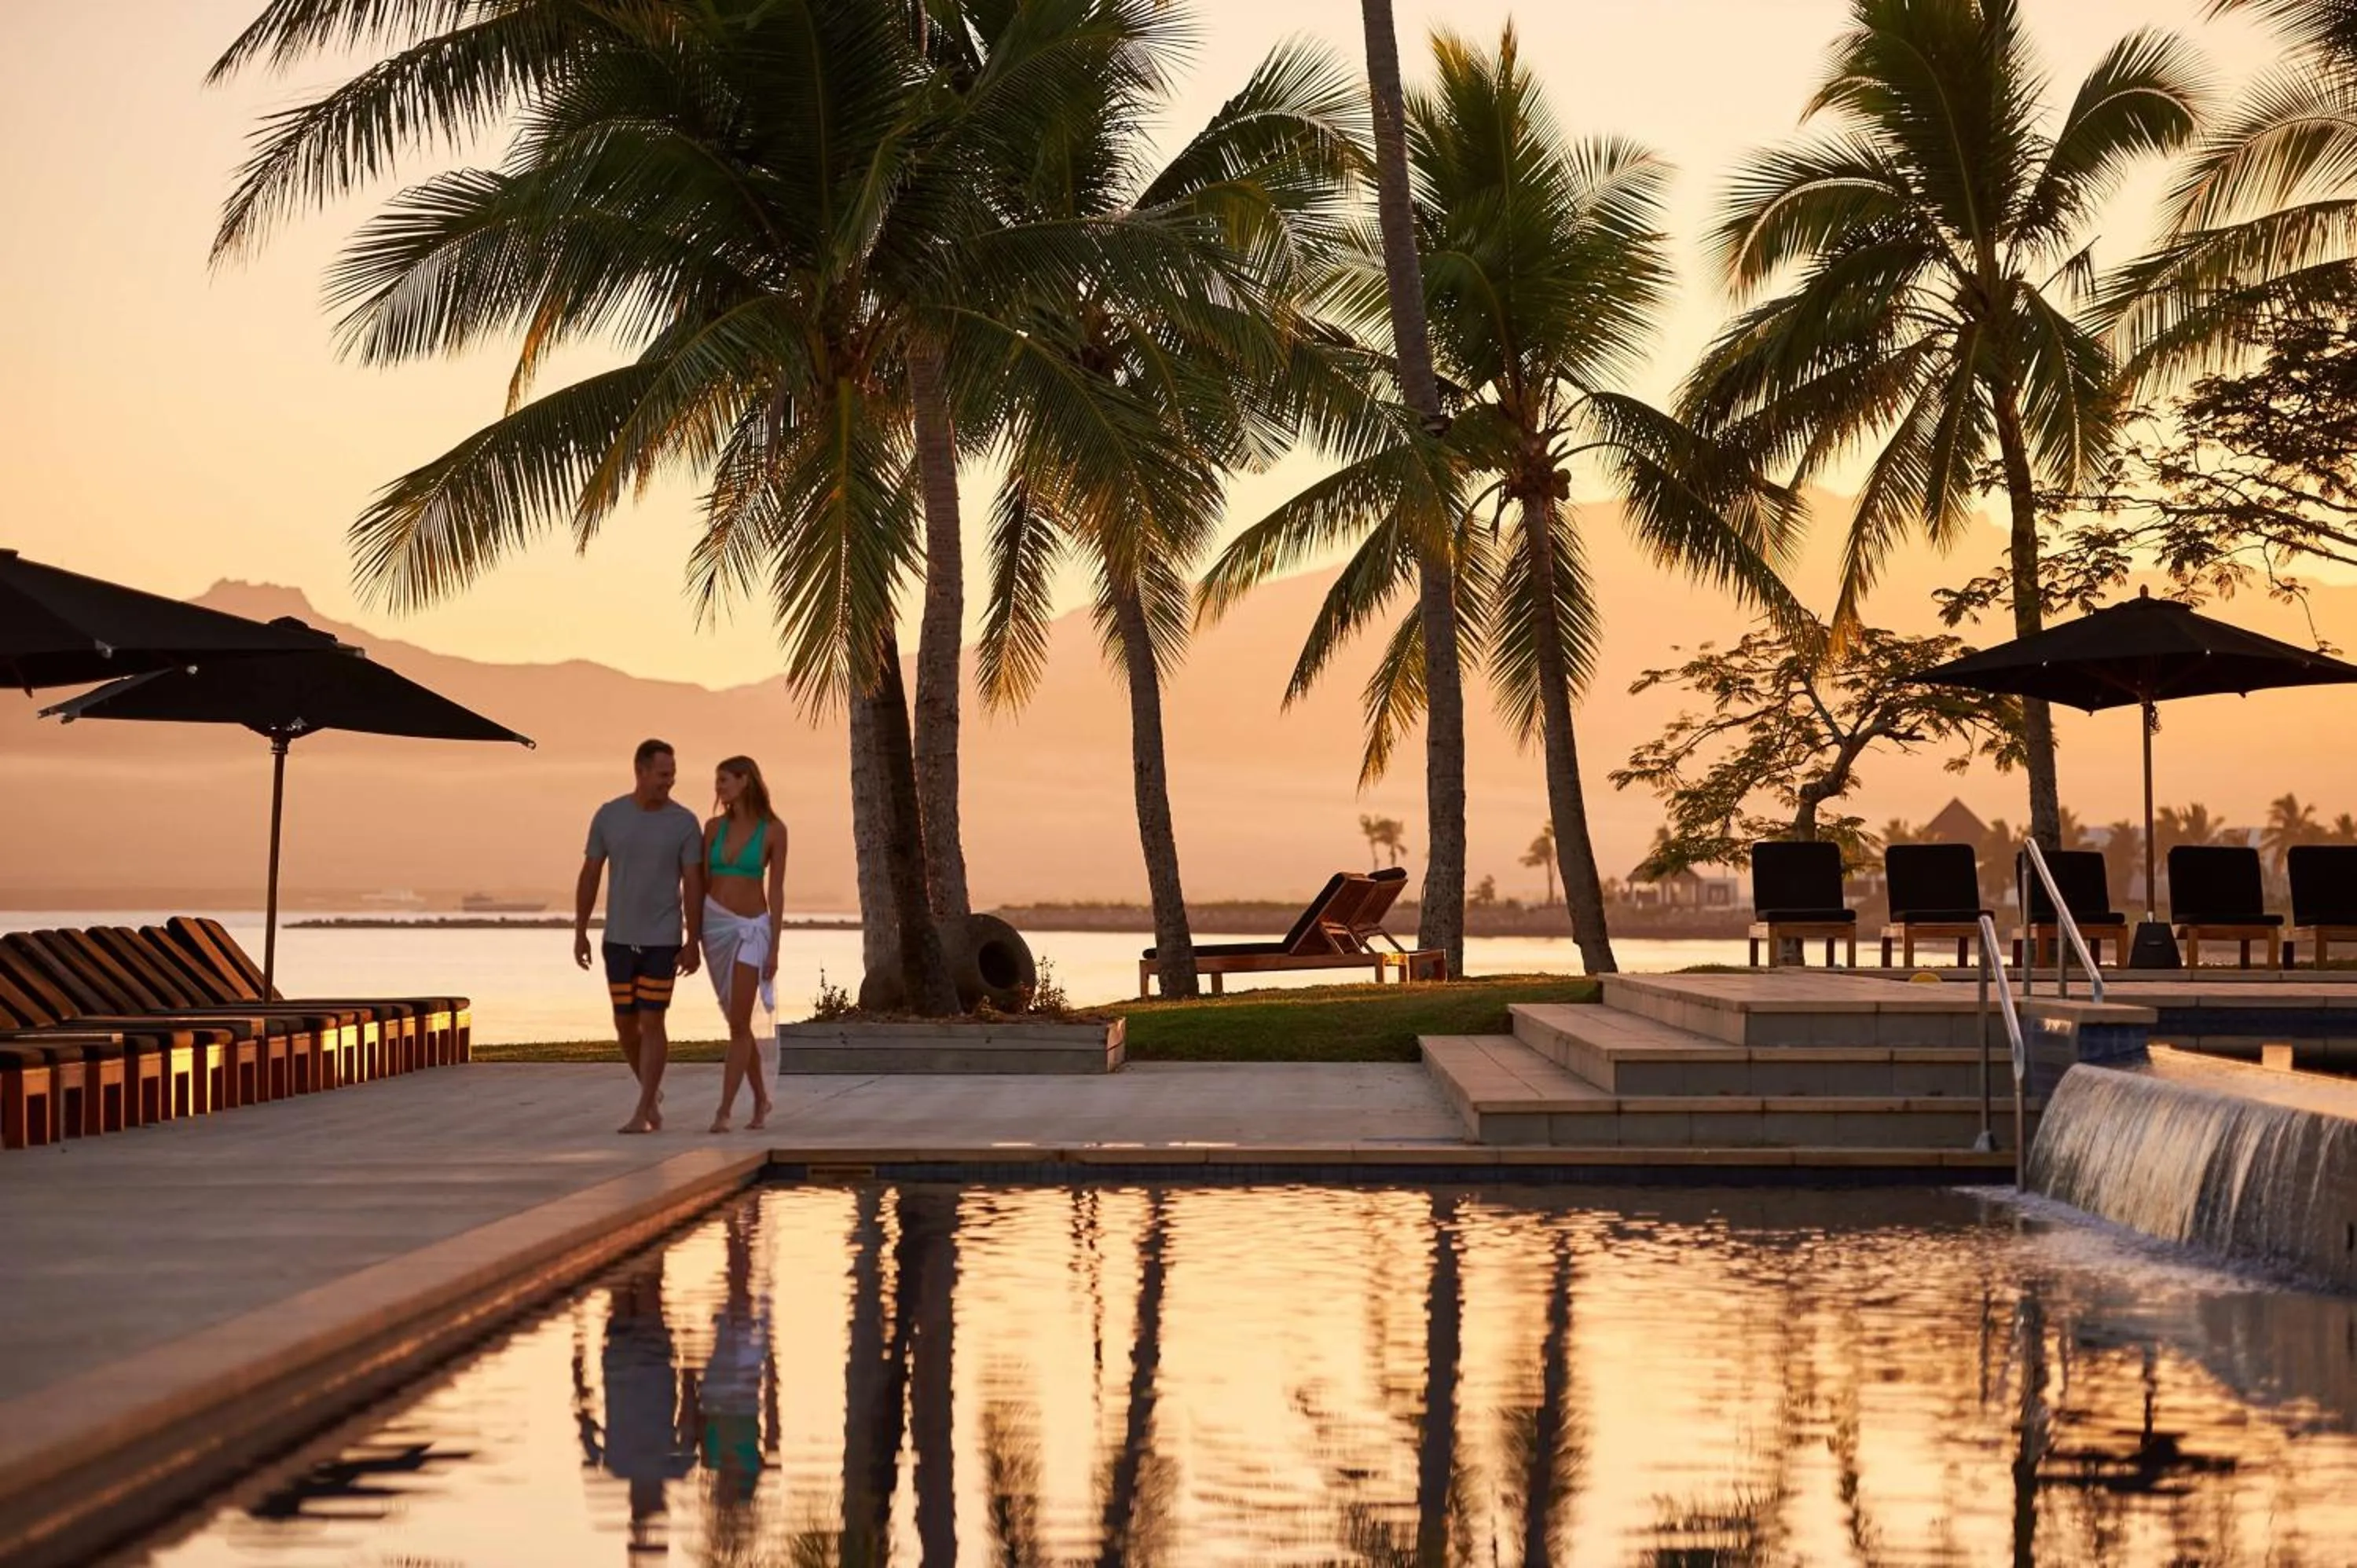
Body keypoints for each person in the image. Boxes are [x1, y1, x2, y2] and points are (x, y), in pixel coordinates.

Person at [577, 739, 703, 1135]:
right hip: (617, 938)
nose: (670, 781)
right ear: (641, 771)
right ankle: (650, 1092)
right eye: (663, 774)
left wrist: (692, 939)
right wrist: (580, 930)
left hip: (662, 939)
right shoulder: (609, 816)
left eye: (672, 774)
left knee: (653, 1019)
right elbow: (591, 874)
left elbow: (694, 883)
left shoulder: (684, 822)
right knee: (624, 1025)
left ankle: (644, 1109)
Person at [698, 755, 786, 1132]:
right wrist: (690, 935)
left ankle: (724, 1111)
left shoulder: (774, 830)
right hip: (714, 928)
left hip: (752, 928)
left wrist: (774, 947)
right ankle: (762, 1099)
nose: (718, 789)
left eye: (724, 781)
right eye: (717, 782)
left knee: (738, 1024)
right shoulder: (713, 828)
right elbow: (700, 884)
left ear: (745, 781)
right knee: (736, 1020)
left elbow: (777, 892)